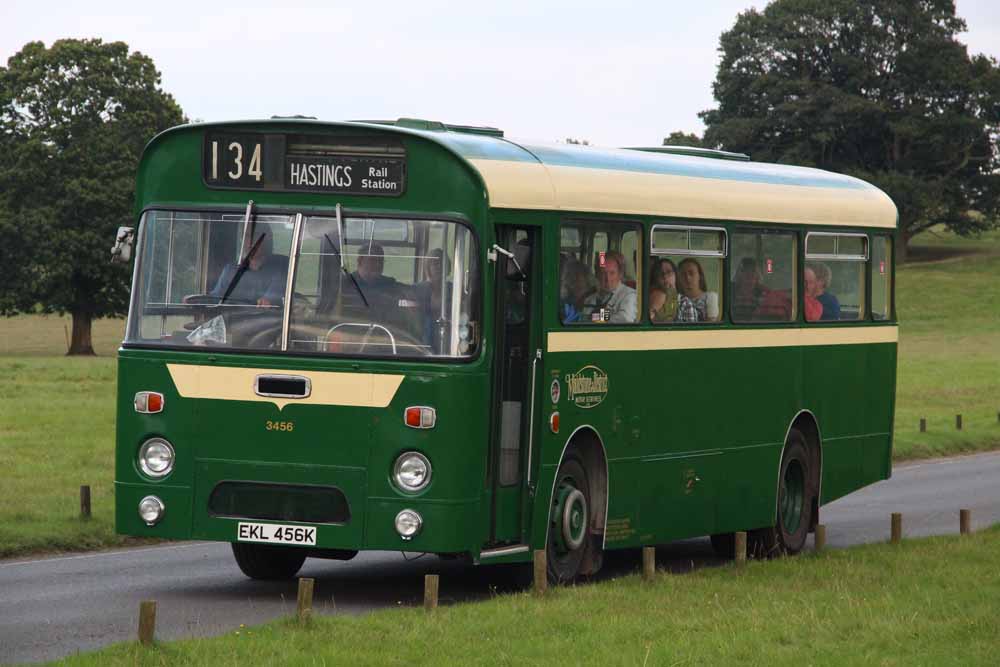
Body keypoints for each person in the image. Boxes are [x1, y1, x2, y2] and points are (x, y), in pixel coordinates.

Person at [207, 230, 286, 307]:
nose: (250, 241)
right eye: (247, 236)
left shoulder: (280, 265)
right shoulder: (231, 270)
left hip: (269, 318)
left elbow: (273, 296)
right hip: (234, 318)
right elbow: (215, 299)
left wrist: (268, 300)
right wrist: (201, 303)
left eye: (255, 235)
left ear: (266, 239)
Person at [585, 251, 636, 323]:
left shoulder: (629, 295)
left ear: (620, 274)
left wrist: (597, 317)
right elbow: (584, 318)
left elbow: (625, 318)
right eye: (603, 273)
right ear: (597, 275)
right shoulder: (590, 298)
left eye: (612, 273)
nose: (607, 279)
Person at [676, 257, 719, 322]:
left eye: (691, 273)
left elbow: (711, 324)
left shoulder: (710, 297)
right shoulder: (678, 300)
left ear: (699, 276)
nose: (687, 278)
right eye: (683, 274)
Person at [560, 259, 594, 323]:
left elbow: (605, 318)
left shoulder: (596, 300)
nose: (573, 281)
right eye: (570, 276)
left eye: (577, 275)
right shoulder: (565, 302)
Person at [648, 258, 678, 322]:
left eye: (669, 272)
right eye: (660, 273)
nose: (665, 276)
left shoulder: (684, 303)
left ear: (675, 275)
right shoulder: (651, 297)